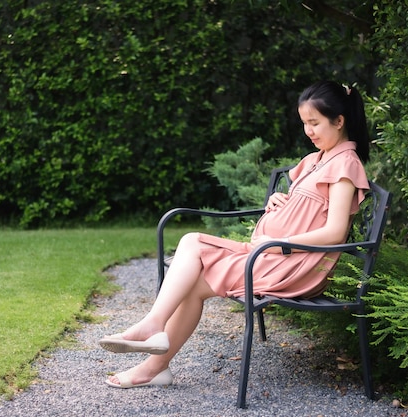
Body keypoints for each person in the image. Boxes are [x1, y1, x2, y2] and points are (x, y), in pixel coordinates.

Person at [99, 80, 371, 389]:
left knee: (192, 242)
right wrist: (278, 202)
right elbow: (306, 207)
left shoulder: (345, 165)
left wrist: (279, 245)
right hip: (270, 253)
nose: (308, 130)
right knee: (194, 280)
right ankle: (155, 363)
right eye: (304, 123)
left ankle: (153, 331)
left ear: (339, 120)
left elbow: (334, 231)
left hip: (293, 265)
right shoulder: (316, 159)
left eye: (314, 123)